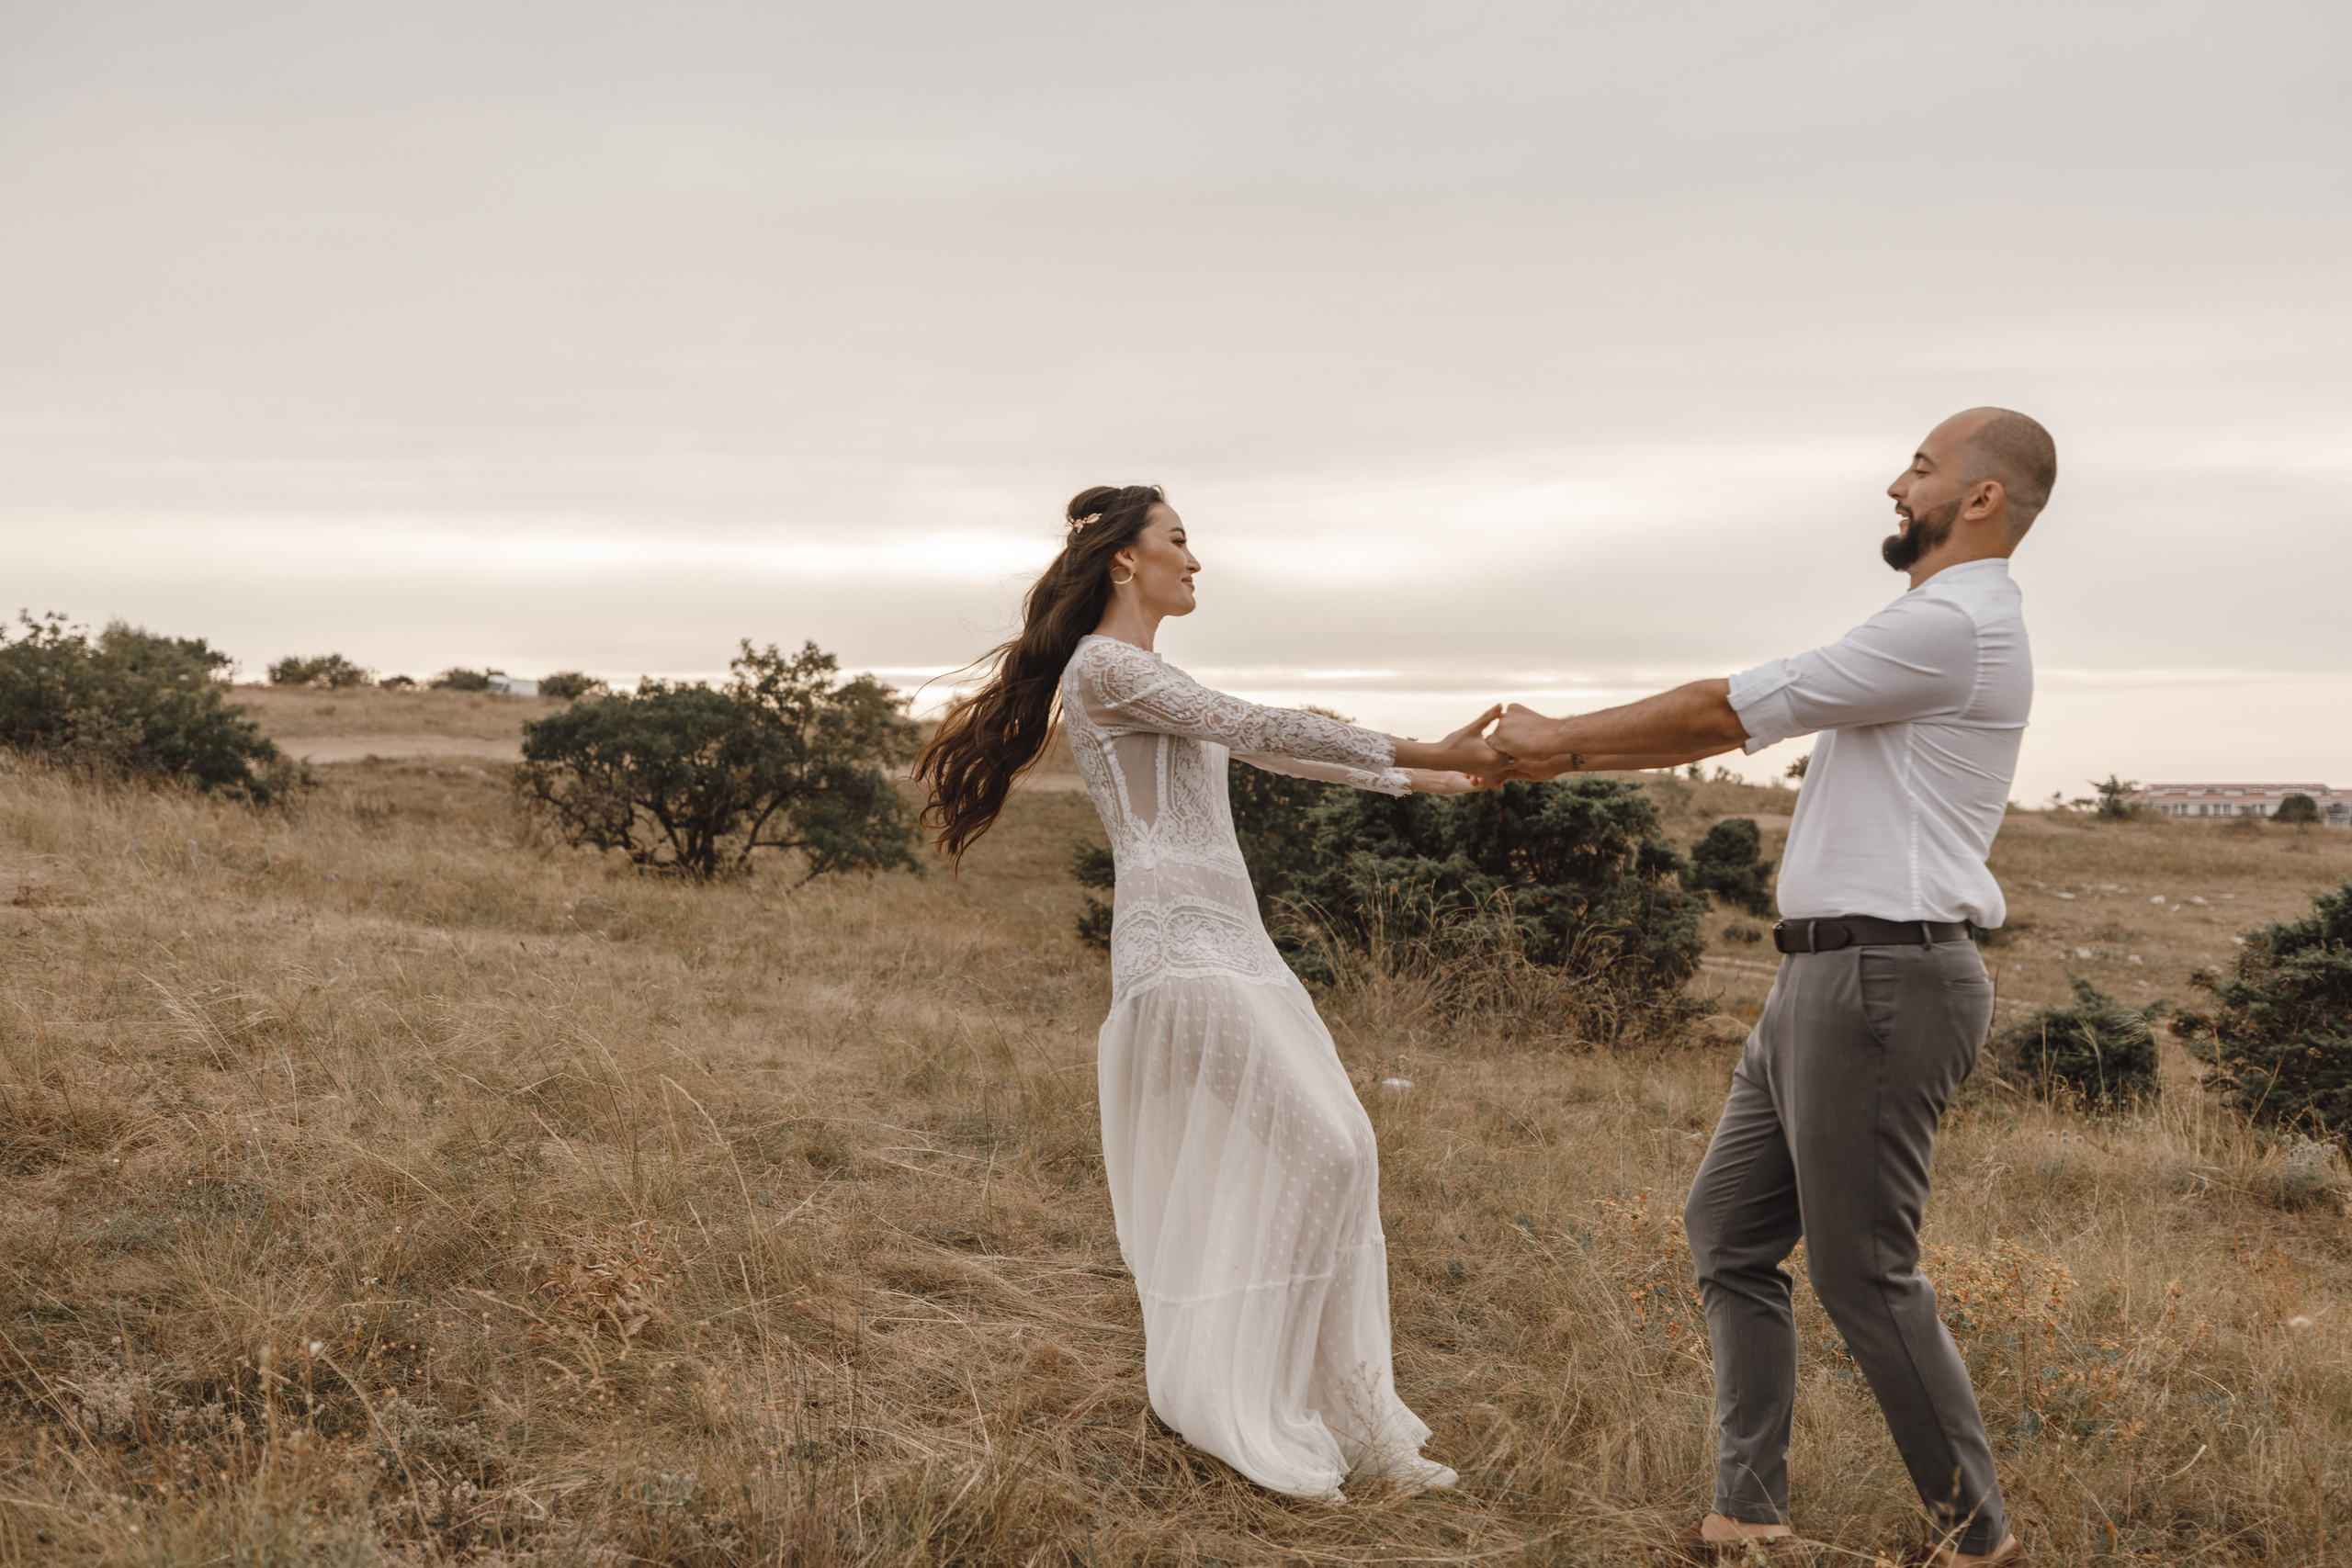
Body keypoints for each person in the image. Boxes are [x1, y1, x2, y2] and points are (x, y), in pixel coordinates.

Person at [1484, 409, 2055, 1567]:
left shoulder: (1957, 624)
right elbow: (1726, 721)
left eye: (1922, 466)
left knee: (1863, 1273)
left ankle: (1976, 1534)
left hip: (1884, 978)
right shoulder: (1926, 621)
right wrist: (1563, 754)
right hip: (1825, 974)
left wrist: (1556, 740)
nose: (1896, 483)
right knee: (1731, 1232)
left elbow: (1720, 710)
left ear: (1983, 498)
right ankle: (1747, 1514)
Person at [916, 484, 1502, 1501]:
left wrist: (1426, 781)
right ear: (1123, 562)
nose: (1197, 561)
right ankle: (1244, 1404)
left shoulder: (1147, 673)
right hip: (1180, 951)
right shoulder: (1104, 666)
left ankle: (1350, 1419)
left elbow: (1265, 746)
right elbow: (1253, 717)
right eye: (1179, 542)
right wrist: (1434, 748)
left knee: (1343, 1153)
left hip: (1237, 944)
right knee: (1327, 1149)